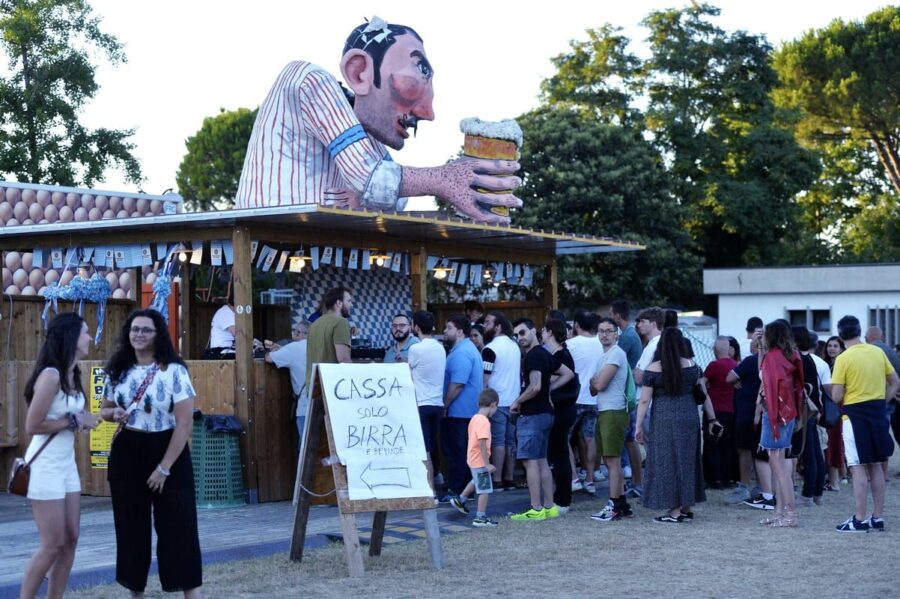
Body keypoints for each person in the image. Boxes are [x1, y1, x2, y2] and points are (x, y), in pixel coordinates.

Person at [235, 17, 521, 224]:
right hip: (261, 248)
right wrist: (444, 178)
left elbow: (395, 195)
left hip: (318, 252)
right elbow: (369, 176)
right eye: (415, 78)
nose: (428, 113)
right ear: (359, 72)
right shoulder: (309, 81)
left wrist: (365, 198)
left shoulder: (362, 133)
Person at [100, 309, 202, 597]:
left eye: (146, 330)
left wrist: (164, 468)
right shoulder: (118, 369)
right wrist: (113, 413)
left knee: (179, 527)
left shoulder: (174, 371)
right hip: (128, 450)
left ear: (158, 335)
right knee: (131, 528)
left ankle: (191, 594)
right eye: (135, 329)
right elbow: (104, 410)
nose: (139, 335)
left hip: (169, 449)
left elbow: (184, 423)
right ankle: (136, 593)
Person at [19, 313, 99, 599]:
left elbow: (74, 417)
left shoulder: (73, 374)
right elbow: (32, 425)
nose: (90, 337)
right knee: (52, 543)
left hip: (67, 466)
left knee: (71, 539)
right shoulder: (51, 376)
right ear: (70, 337)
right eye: (86, 332)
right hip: (46, 466)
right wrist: (73, 422)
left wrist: (97, 417)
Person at [636, 327, 717, 523]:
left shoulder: (654, 368)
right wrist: (713, 419)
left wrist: (637, 425)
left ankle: (674, 511)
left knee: (667, 462)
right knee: (688, 460)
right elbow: (704, 395)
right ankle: (686, 506)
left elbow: (644, 400)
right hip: (689, 416)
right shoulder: (693, 365)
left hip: (664, 419)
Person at [831, 315, 899, 532]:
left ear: (840, 335)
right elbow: (895, 381)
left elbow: (836, 395)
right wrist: (883, 400)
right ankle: (877, 517)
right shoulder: (877, 352)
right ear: (860, 332)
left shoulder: (843, 358)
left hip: (854, 415)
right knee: (876, 464)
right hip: (877, 412)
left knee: (857, 466)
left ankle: (859, 519)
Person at [509, 318, 574, 521]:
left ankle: (536, 508)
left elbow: (535, 386)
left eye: (522, 332)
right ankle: (549, 507)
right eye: (516, 335)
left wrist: (517, 401)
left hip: (533, 414)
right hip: (546, 414)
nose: (519, 337)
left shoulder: (534, 355)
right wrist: (548, 390)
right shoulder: (544, 353)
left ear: (533, 331)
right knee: (541, 460)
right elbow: (568, 373)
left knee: (530, 462)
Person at [756, 320, 804, 528]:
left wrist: (774, 421)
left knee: (779, 469)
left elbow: (769, 385)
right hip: (787, 414)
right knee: (780, 468)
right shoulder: (788, 355)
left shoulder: (773, 358)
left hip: (775, 415)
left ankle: (790, 514)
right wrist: (761, 349)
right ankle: (779, 512)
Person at [589, 317, 634, 522]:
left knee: (613, 460)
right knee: (609, 459)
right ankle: (621, 504)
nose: (604, 334)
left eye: (608, 331)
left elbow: (598, 385)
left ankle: (614, 504)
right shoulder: (603, 357)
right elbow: (593, 388)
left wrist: (596, 382)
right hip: (605, 410)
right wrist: (596, 382)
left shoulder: (616, 353)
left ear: (617, 334)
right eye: (601, 331)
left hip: (614, 411)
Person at [441, 314, 483, 501]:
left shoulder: (461, 353)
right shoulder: (467, 349)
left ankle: (457, 490)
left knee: (457, 453)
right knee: (464, 453)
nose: (444, 331)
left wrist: (445, 405)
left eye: (448, 327)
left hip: (459, 412)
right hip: (466, 412)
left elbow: (458, 384)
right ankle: (465, 490)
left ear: (459, 332)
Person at [543, 319, 580, 513]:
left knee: (560, 454)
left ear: (550, 332)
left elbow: (562, 378)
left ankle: (563, 500)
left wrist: (548, 387)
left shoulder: (561, 355)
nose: (541, 333)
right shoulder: (559, 353)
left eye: (543, 330)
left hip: (562, 409)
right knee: (558, 453)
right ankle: (560, 498)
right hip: (562, 409)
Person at [481, 311, 521, 489]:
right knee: (510, 441)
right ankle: (509, 477)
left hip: (496, 401)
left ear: (498, 327)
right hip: (514, 400)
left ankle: (497, 479)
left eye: (488, 322)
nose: (484, 326)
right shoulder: (515, 346)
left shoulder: (490, 349)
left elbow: (485, 377)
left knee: (498, 441)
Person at [566, 309, 604, 495]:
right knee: (590, 438)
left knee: (564, 438)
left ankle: (574, 478)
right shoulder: (602, 343)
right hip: (595, 398)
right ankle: (590, 479)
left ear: (576, 325)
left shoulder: (570, 344)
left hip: (574, 398)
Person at [450, 389, 500, 527]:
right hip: (480, 460)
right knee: (485, 490)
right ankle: (480, 517)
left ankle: (461, 499)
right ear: (493, 404)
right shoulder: (484, 422)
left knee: (476, 480)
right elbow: (482, 442)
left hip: (473, 458)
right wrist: (487, 463)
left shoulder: (475, 418)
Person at [408, 310, 446, 493]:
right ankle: (434, 485)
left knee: (425, 450)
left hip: (421, 404)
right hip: (437, 404)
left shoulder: (415, 349)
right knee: (433, 446)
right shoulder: (440, 348)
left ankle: (430, 491)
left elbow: (408, 371)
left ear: (416, 327)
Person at [792, 326, 828, 508]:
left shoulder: (799, 360)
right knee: (816, 454)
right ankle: (817, 494)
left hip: (804, 411)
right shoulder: (811, 360)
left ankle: (807, 496)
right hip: (812, 411)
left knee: (809, 455)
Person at [265, 320, 311, 448]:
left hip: (305, 406)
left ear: (298, 333)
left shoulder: (293, 348)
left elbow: (269, 358)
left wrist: (267, 350)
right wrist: (283, 350)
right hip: (323, 405)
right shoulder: (318, 346)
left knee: (305, 447)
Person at [703, 336, 738, 489]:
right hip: (730, 410)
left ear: (714, 350)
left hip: (714, 411)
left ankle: (715, 478)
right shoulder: (735, 365)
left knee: (713, 445)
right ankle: (727, 477)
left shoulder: (714, 365)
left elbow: (702, 382)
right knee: (727, 445)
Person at [306, 287, 353, 389]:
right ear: (338, 303)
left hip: (313, 387)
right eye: (349, 301)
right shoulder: (341, 322)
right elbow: (344, 359)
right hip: (332, 387)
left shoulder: (314, 324)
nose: (351, 305)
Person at [821, 335, 847, 491]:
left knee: (835, 442)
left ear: (841, 348)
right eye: (829, 345)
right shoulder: (826, 364)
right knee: (829, 442)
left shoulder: (842, 364)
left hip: (837, 407)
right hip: (827, 407)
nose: (831, 348)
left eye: (835, 346)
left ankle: (835, 481)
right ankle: (834, 479)